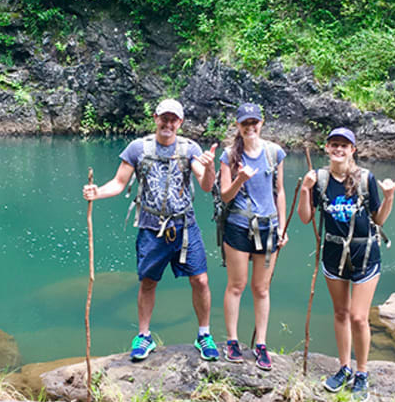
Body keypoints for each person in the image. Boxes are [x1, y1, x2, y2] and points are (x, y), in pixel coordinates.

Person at [82, 98, 219, 361]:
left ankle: (204, 334)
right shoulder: (138, 148)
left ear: (180, 122)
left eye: (173, 119)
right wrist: (96, 192)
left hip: (184, 226)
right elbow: (119, 183)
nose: (168, 123)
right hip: (150, 226)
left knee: (200, 280)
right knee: (147, 282)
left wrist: (210, 166)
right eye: (164, 118)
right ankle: (143, 336)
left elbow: (205, 184)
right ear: (155, 117)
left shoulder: (190, 149)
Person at [297, 127, 395, 400]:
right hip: (333, 255)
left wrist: (389, 196)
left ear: (353, 149)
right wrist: (305, 191)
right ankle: (344, 368)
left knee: (358, 316)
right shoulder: (319, 179)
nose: (339, 150)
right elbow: (305, 218)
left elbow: (378, 220)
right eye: (334, 145)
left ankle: (362, 372)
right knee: (340, 313)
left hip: (364, 253)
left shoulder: (365, 179)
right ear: (327, 148)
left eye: (344, 146)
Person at [218, 103, 287, 370]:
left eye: (254, 122)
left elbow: (279, 192)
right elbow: (225, 195)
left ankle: (261, 344)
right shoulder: (229, 156)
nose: (250, 127)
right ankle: (233, 341)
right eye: (245, 123)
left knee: (261, 288)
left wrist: (282, 227)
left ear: (261, 123)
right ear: (238, 125)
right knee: (236, 285)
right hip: (238, 226)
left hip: (269, 227)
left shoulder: (274, 153)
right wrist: (239, 180)